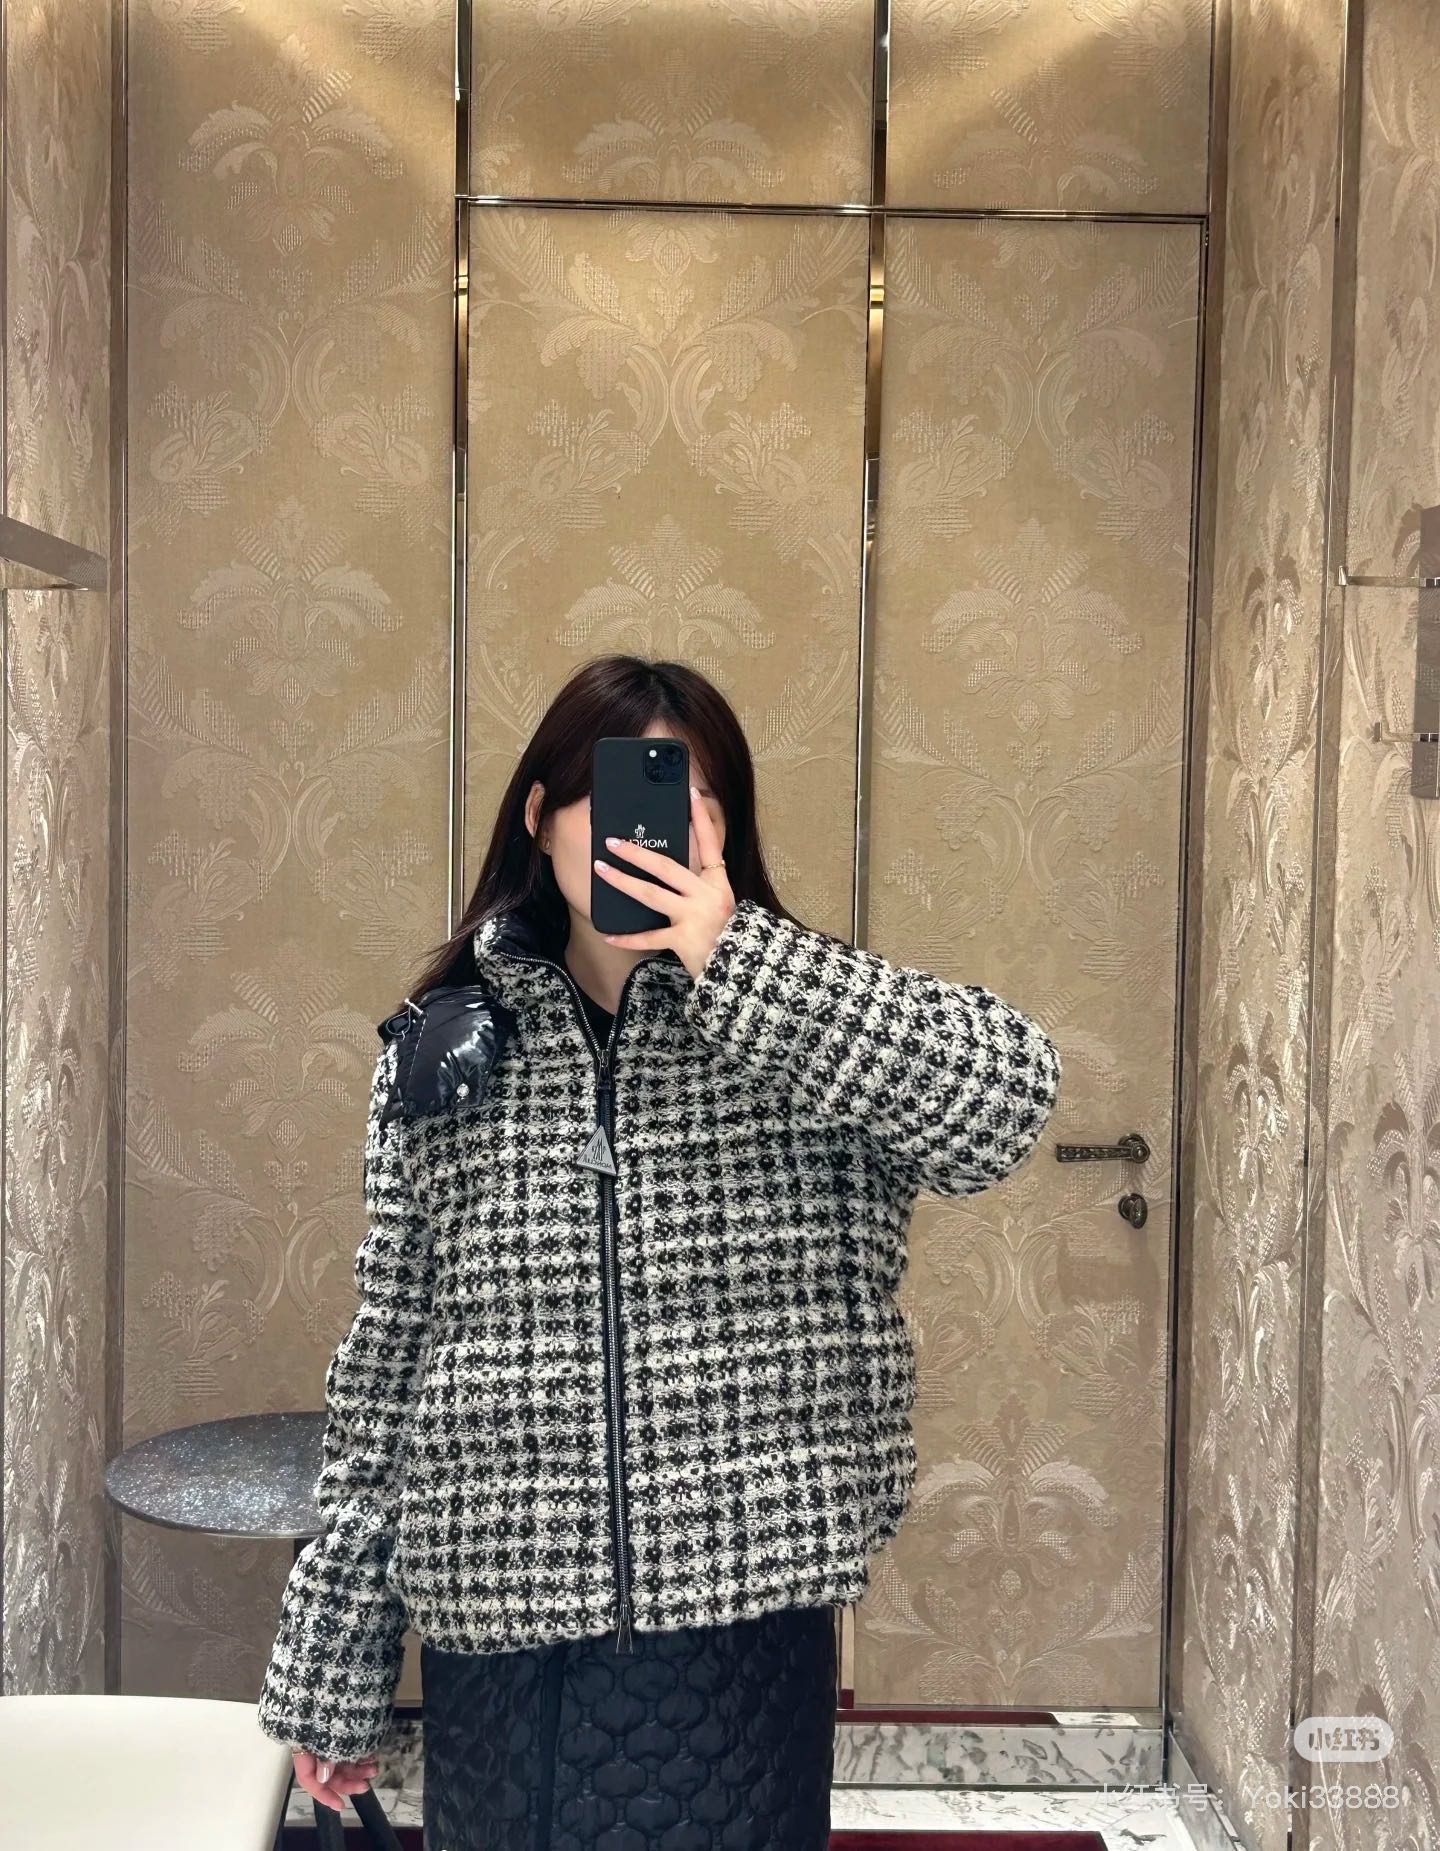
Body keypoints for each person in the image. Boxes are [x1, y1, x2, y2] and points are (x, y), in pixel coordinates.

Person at [256, 654, 1062, 1849]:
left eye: (697, 803)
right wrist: (337, 1660)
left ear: (727, 830)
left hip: (744, 1617)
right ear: (541, 817)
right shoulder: (445, 1053)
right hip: (497, 1630)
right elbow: (389, 1361)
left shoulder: (802, 1030)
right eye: (621, 797)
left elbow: (1008, 1102)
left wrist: (745, 960)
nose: (655, 834)